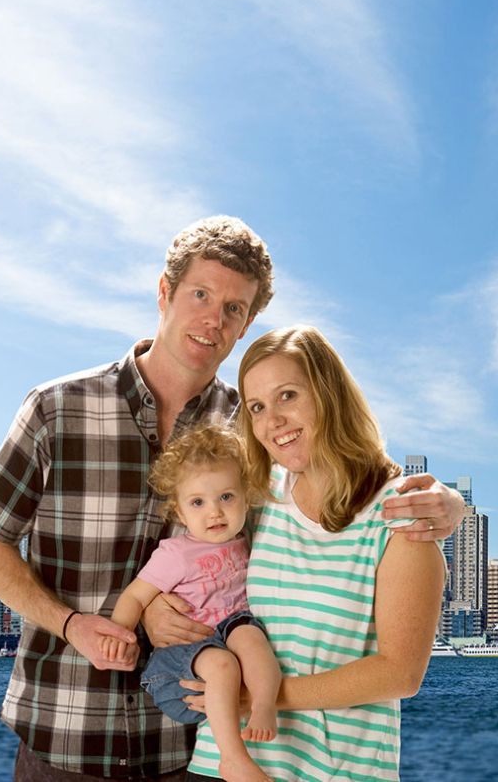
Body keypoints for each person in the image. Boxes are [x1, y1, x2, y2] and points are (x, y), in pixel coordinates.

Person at [0, 215, 464, 781]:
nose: (213, 319)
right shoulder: (57, 409)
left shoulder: (250, 429)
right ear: (164, 292)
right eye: (201, 294)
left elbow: (342, 481)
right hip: (67, 730)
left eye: (234, 309)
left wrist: (447, 506)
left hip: (188, 743)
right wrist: (74, 622)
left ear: (247, 323)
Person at [184, 325, 447, 781]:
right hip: (225, 765)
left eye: (287, 396)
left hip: (334, 770)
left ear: (329, 394)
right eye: (258, 408)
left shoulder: (399, 520)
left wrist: (260, 698)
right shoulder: (258, 499)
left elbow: (400, 673)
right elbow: (186, 556)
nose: (273, 421)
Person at [101, 422, 278, 782]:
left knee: (254, 641)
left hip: (230, 629)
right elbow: (136, 595)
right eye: (198, 502)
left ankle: (264, 706)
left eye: (226, 497)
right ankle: (233, 759)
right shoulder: (176, 553)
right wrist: (119, 635)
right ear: (180, 513)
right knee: (225, 665)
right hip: (183, 655)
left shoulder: (245, 538)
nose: (214, 512)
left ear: (246, 497)